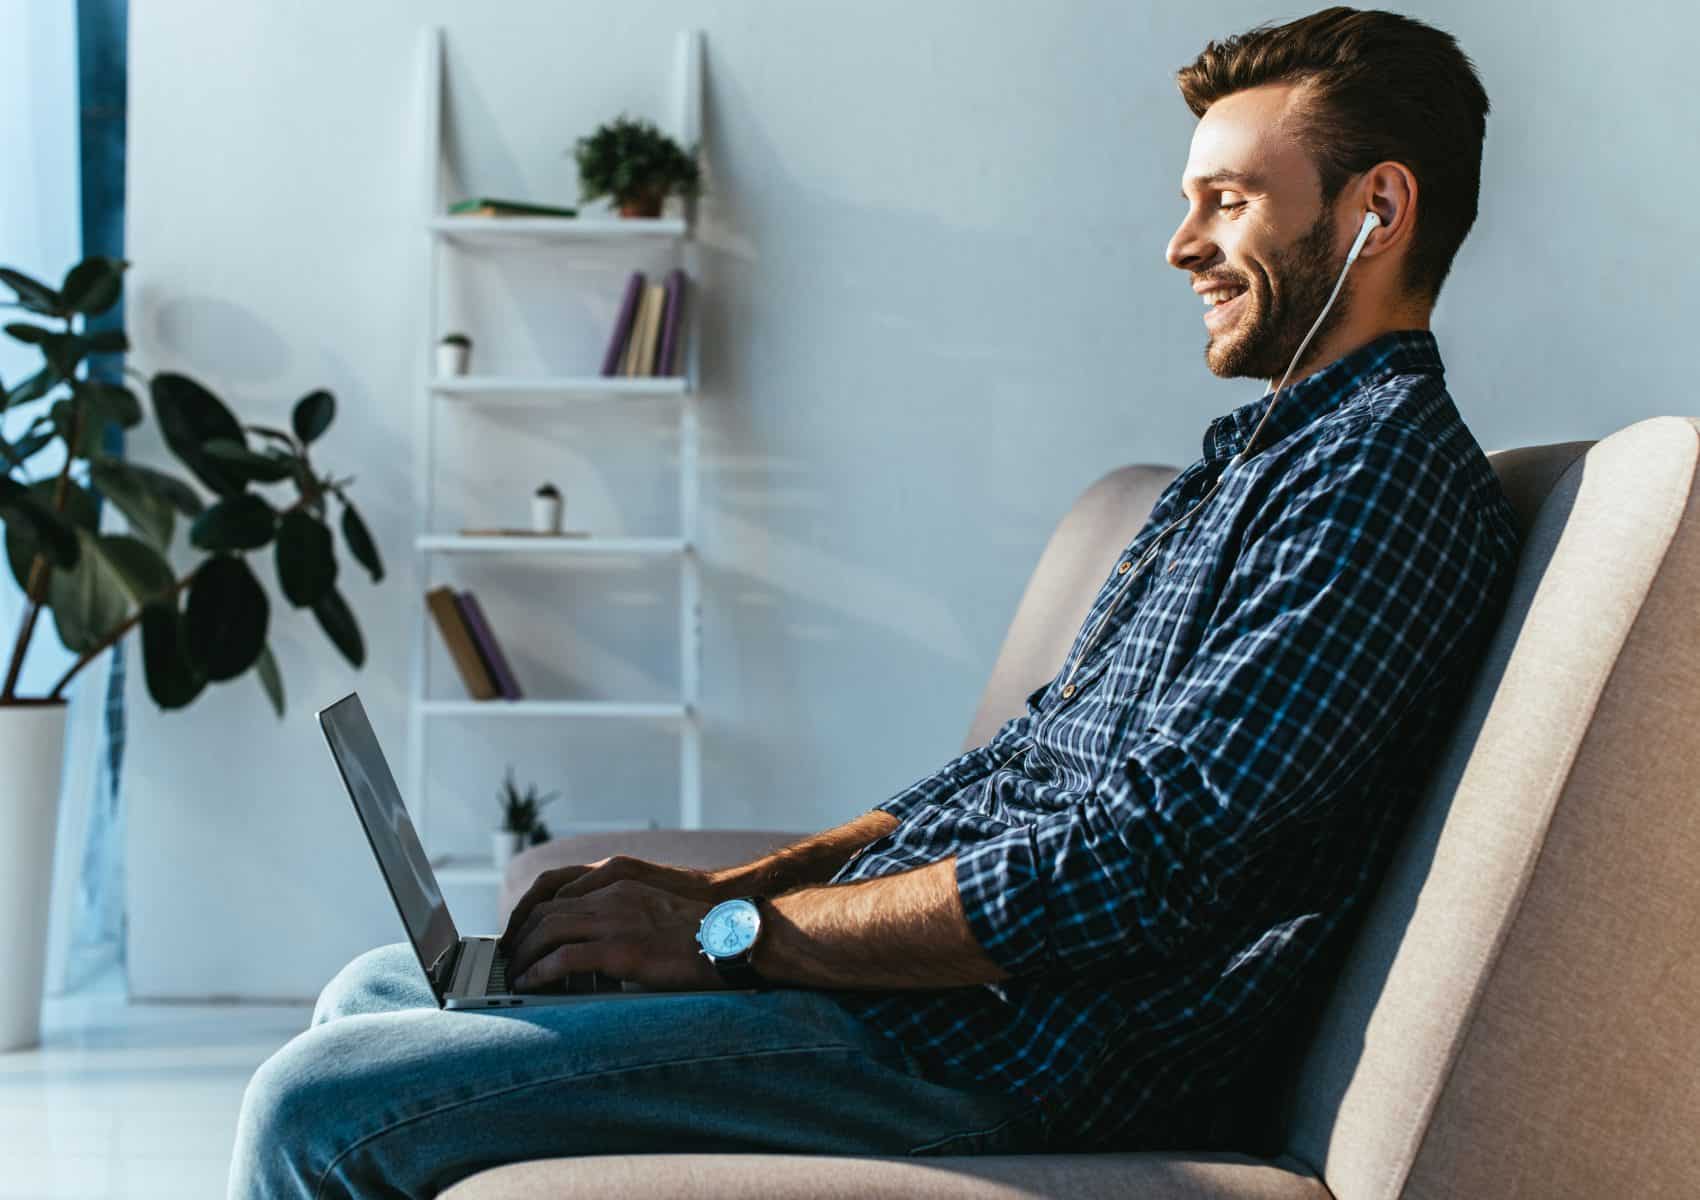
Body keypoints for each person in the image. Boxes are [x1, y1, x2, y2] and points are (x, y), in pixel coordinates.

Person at [231, 8, 1519, 1197]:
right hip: (904, 1006)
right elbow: (1020, 765)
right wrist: (719, 898)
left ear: (1378, 207)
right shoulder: (1255, 464)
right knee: (380, 990)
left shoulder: (1379, 485)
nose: (1181, 244)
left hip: (1003, 1058)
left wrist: (734, 935)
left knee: (320, 1106)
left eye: (1228, 202)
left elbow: (1148, 867)